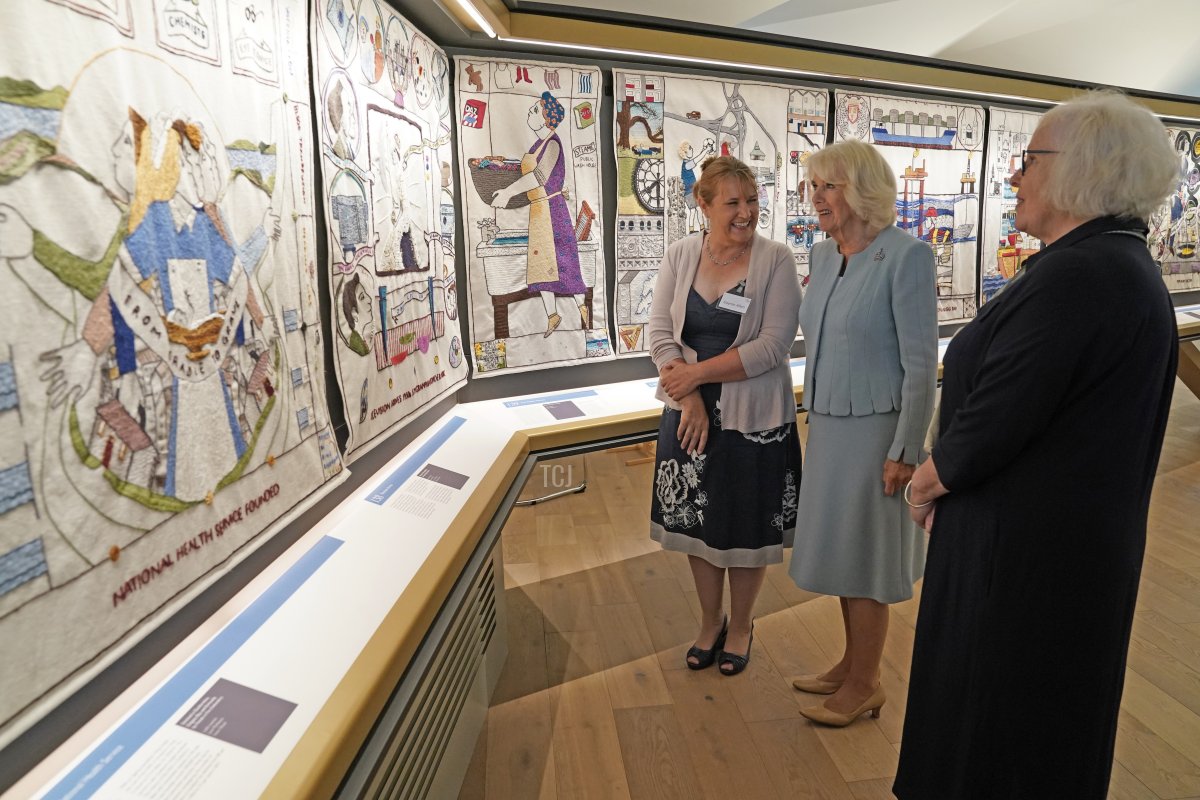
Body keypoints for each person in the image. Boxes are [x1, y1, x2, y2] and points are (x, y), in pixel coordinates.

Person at [894, 91, 1180, 799]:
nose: (1014, 178)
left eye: (1028, 161)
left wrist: (927, 480)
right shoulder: (1107, 265)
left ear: (1082, 171)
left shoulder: (1082, 274)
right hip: (1052, 551)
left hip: (1021, 561)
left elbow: (1000, 413)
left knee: (995, 729)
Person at [787, 139, 937, 725]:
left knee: (870, 558)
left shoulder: (907, 256)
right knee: (844, 550)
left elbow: (922, 364)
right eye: (814, 185)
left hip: (878, 432)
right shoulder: (825, 257)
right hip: (827, 423)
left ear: (862, 191)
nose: (816, 196)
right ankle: (850, 665)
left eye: (828, 185)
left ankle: (867, 681)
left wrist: (905, 449)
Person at [647, 156, 802, 676]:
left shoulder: (775, 260)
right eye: (733, 202)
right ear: (704, 204)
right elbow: (659, 334)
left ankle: (742, 624)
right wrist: (687, 394)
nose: (746, 212)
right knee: (698, 522)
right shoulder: (681, 255)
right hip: (689, 414)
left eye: (752, 200)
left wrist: (696, 376)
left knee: (745, 525)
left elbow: (773, 347)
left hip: (753, 417)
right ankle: (710, 620)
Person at [489, 91, 589, 337]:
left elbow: (538, 177)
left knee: (564, 262)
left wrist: (509, 193)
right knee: (540, 265)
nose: (530, 113)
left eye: (535, 110)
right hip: (538, 211)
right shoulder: (536, 145)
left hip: (553, 212)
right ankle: (552, 315)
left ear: (547, 119)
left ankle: (582, 308)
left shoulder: (553, 143)